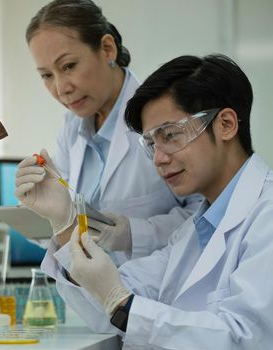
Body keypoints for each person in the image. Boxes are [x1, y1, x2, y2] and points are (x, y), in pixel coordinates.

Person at [65, 53, 273, 348]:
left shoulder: (266, 216)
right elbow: (106, 308)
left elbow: (245, 339)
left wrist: (120, 301)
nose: (159, 159)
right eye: (151, 143)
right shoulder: (194, 230)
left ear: (225, 124)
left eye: (171, 135)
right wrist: (61, 223)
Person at [16, 0, 201, 265]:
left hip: (161, 297)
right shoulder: (71, 130)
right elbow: (70, 231)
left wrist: (135, 234)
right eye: (46, 75)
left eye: (68, 66)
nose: (61, 88)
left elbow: (208, 213)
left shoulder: (165, 115)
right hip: (93, 297)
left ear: (107, 49)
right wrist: (48, 214)